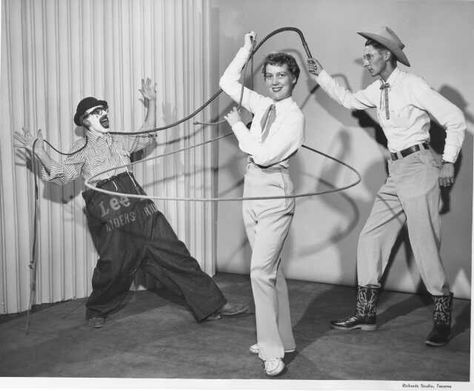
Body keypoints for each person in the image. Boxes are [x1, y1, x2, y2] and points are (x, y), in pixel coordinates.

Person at [14, 78, 248, 328]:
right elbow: (60, 174)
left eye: (104, 110)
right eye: (95, 112)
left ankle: (213, 303)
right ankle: (97, 310)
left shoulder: (120, 140)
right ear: (84, 121)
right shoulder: (79, 150)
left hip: (141, 206)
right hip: (108, 209)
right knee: (114, 266)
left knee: (176, 255)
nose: (103, 114)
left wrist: (152, 103)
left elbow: (146, 135)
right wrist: (40, 152)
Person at [306, 26, 466, 346]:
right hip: (395, 171)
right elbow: (349, 100)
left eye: (369, 56)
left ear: (387, 55)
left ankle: (442, 316)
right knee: (370, 238)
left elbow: (455, 118)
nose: (364, 62)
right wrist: (321, 74)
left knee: (423, 245)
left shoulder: (413, 85)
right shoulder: (378, 90)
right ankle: (366, 313)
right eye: (364, 56)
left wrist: (448, 161)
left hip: (420, 167)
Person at [219, 32, 304, 376]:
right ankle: (284, 338)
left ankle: (272, 351)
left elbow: (266, 154)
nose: (274, 82)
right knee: (271, 273)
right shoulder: (264, 104)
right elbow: (226, 81)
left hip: (274, 191)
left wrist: (238, 127)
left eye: (281, 75)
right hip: (251, 188)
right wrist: (245, 51)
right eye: (269, 76)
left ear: (293, 78)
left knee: (259, 272)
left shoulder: (293, 117)